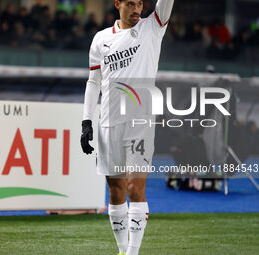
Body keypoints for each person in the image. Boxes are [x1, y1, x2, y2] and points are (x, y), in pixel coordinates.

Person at [80, 1, 174, 255]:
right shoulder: (101, 39)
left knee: (135, 187)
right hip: (108, 122)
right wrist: (87, 121)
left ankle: (133, 253)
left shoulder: (152, 27)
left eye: (140, 3)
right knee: (116, 191)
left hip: (140, 122)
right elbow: (93, 81)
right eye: (131, 3)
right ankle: (122, 251)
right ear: (118, 4)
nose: (137, 8)